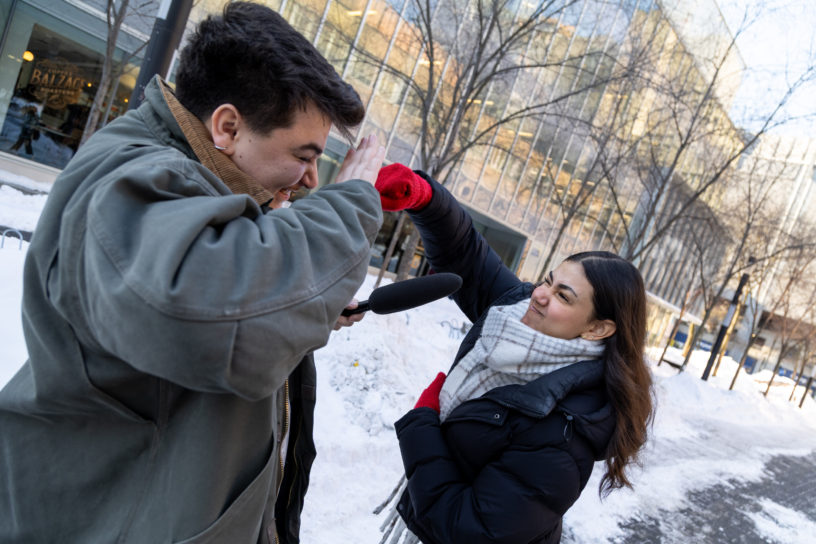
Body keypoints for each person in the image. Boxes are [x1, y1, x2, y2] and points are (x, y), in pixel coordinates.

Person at [0, 3, 384, 543]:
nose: (312, 180)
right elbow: (206, 317)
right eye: (304, 154)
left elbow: (225, 309)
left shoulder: (190, 181)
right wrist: (349, 210)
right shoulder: (138, 176)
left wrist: (304, 302)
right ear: (227, 127)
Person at [374, 164, 654, 544]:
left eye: (563, 296)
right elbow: (466, 256)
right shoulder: (516, 315)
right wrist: (426, 199)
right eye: (548, 280)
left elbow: (472, 532)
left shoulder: (564, 435)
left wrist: (423, 425)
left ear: (597, 328)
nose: (540, 294)